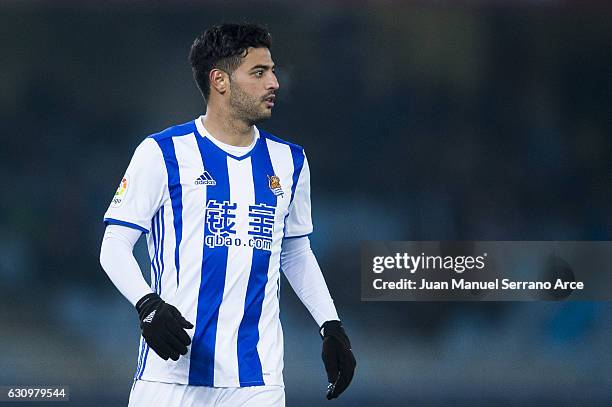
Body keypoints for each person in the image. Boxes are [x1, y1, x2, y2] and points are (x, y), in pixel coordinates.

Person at [99, 22, 356, 407]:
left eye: (272, 70)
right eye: (259, 72)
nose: (274, 83)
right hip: (170, 377)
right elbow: (114, 246)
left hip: (257, 381)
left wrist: (331, 325)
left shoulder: (290, 161)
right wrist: (147, 304)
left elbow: (294, 251)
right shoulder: (162, 153)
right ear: (220, 81)